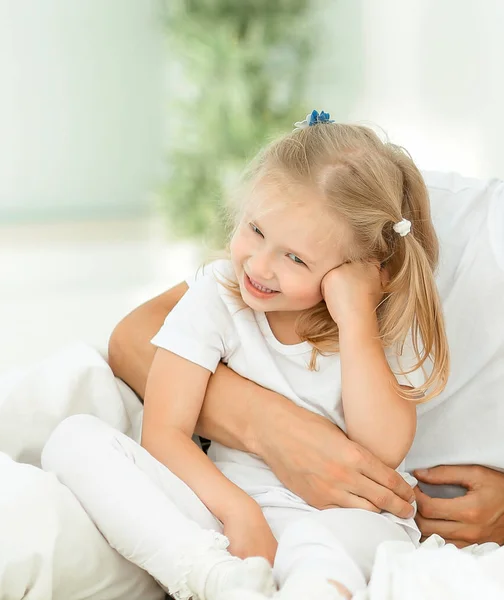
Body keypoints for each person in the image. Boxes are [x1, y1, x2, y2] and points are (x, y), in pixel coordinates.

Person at [42, 111, 451, 600]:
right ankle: (213, 579)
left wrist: (356, 320)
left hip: (345, 520)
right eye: (256, 230)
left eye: (295, 258)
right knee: (74, 439)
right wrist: (240, 513)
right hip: (226, 508)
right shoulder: (217, 296)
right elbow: (164, 432)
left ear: (361, 267)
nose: (259, 265)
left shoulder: (374, 324)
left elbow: (383, 447)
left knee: (319, 546)